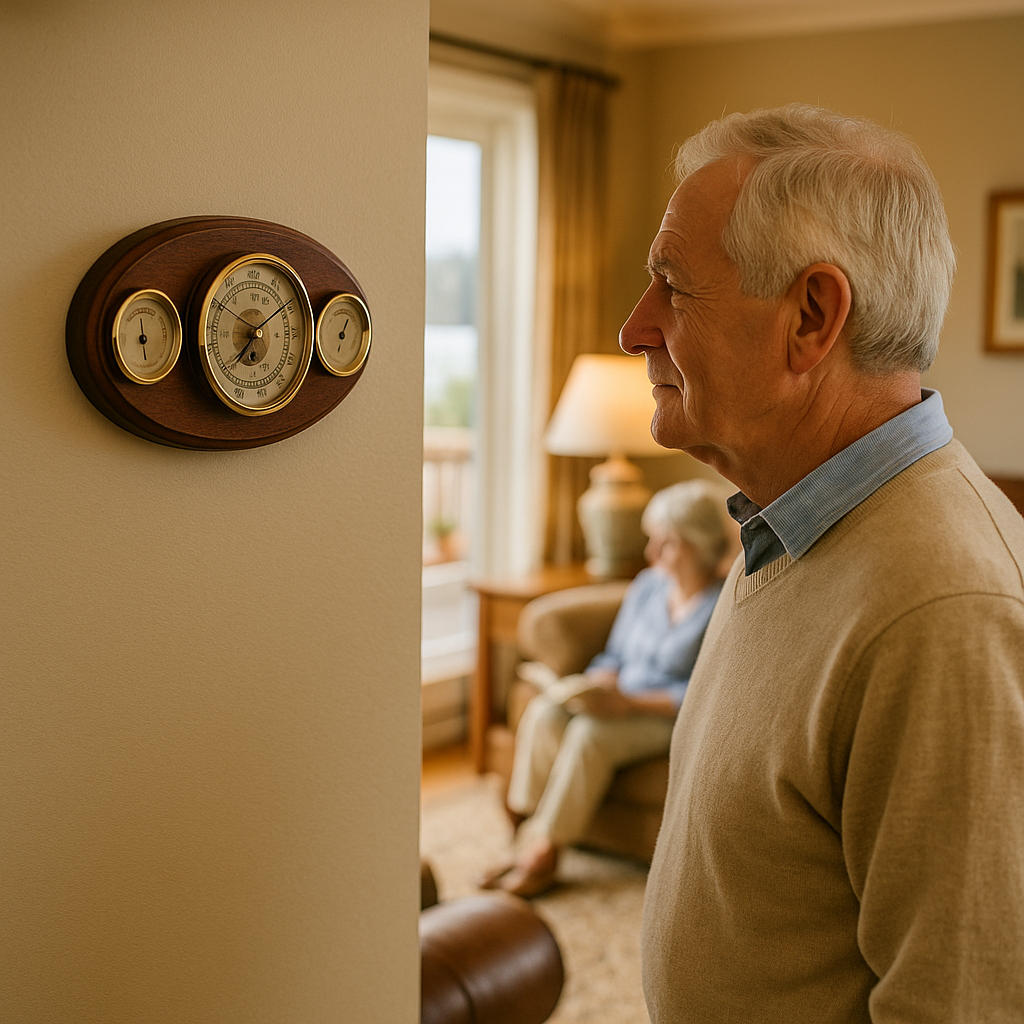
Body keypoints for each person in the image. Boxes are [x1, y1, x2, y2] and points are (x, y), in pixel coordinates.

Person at [620, 103, 1024, 1023]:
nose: (634, 328)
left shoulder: (945, 614)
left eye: (671, 286)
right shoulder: (787, 517)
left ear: (811, 315)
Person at [479, 480, 731, 898]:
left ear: (695, 545)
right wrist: (600, 680)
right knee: (545, 712)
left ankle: (545, 853)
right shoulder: (648, 586)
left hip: (664, 716)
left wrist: (629, 703)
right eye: (653, 540)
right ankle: (526, 834)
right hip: (617, 699)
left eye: (665, 543)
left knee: (590, 735)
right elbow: (614, 654)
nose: (651, 553)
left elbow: (706, 691)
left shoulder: (721, 604)